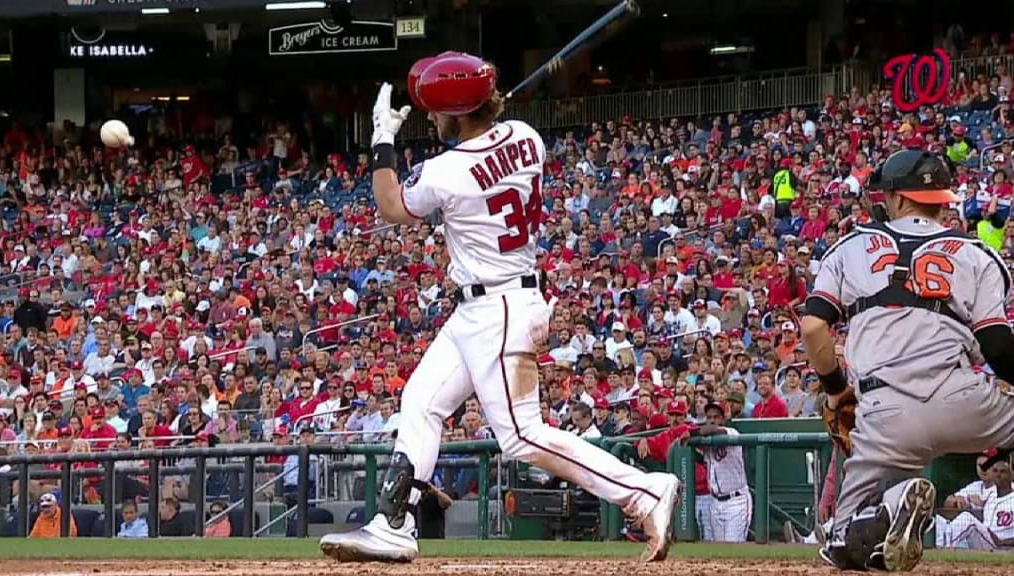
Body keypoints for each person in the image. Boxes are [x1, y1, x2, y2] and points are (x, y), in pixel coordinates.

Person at [319, 51, 680, 564]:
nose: (430, 117)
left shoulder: (449, 170)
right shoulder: (525, 137)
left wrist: (383, 139)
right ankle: (393, 524)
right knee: (421, 402)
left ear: (458, 112)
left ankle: (643, 492)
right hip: (486, 305)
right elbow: (491, 136)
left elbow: (391, 205)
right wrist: (482, 110)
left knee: (521, 437)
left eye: (437, 110)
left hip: (500, 308)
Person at [800, 150, 1014, 571]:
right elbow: (998, 345)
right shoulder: (976, 253)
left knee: (842, 545)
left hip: (884, 415)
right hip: (964, 400)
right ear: (944, 198)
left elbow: (811, 328)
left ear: (895, 197)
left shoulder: (850, 247)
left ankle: (890, 506)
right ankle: (894, 510)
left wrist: (836, 390)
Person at [695, 400, 751, 542]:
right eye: (709, 417)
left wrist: (693, 432)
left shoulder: (731, 432)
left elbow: (714, 430)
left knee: (734, 549)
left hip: (736, 501)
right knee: (719, 550)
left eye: (716, 417)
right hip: (714, 502)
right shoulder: (706, 441)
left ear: (723, 419)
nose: (712, 421)